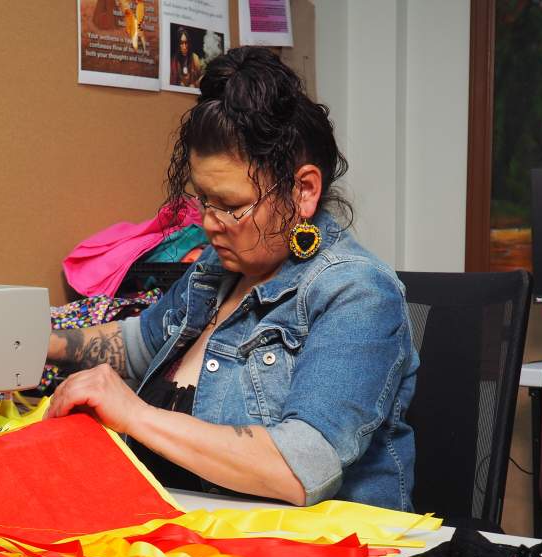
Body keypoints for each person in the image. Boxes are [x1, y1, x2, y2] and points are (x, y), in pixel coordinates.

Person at [46, 46, 418, 512]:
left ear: (303, 191)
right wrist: (38, 342)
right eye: (203, 200)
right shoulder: (217, 271)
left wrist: (136, 416)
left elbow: (302, 467)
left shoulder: (357, 292)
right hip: (190, 541)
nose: (209, 222)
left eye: (230, 205)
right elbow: (141, 344)